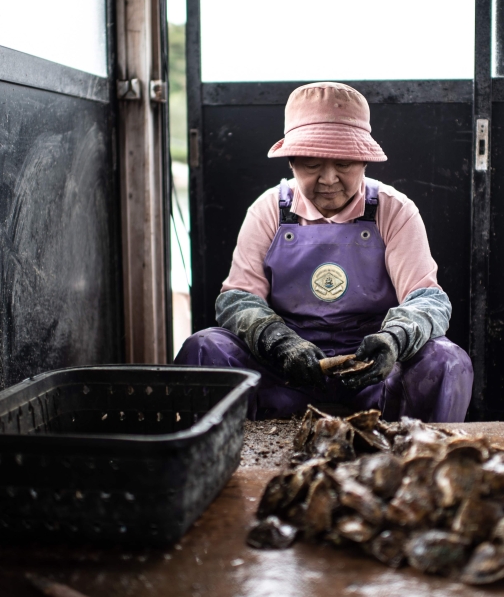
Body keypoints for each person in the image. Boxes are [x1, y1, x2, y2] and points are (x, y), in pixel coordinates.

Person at [175, 82, 472, 421]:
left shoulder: (395, 210)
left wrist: (393, 340)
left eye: (344, 162)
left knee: (447, 361)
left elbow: (428, 300)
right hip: (287, 370)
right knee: (204, 348)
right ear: (291, 162)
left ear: (364, 160)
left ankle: (422, 467)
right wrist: (280, 343)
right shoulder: (269, 209)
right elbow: (237, 300)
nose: (329, 178)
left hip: (373, 372)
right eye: (311, 163)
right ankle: (219, 463)